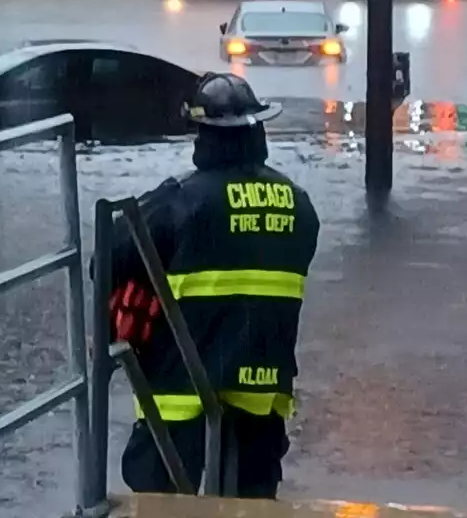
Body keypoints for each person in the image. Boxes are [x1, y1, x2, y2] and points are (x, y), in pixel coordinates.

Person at [105, 72, 320, 499]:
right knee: (251, 502)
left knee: (158, 499)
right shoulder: (299, 203)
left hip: (182, 383)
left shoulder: (180, 200)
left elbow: (106, 257)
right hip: (263, 384)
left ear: (203, 136)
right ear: (258, 130)